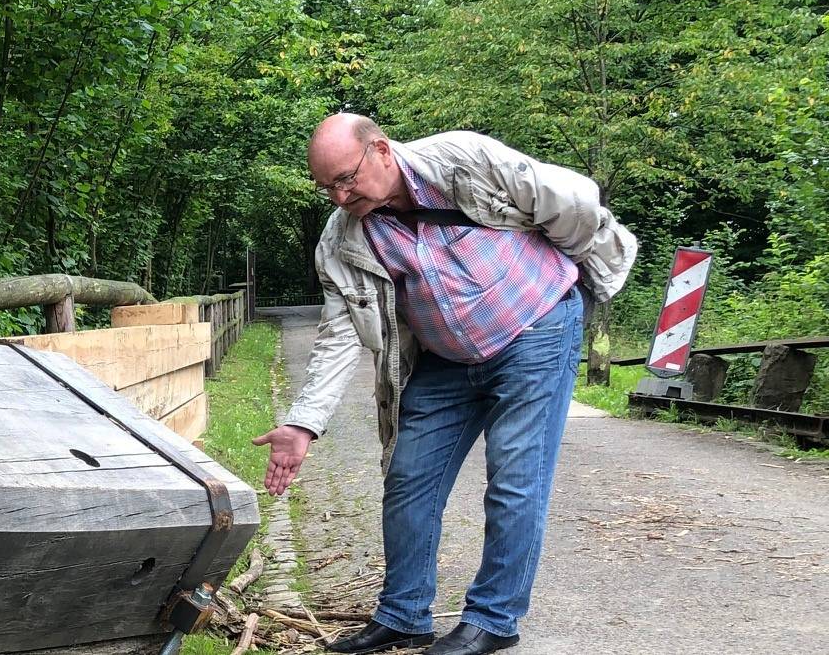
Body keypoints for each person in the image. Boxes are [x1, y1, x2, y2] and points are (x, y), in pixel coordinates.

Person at [251, 114, 636, 655]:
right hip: (446, 361)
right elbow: (339, 333)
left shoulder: (465, 160)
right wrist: (302, 424)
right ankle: (404, 614)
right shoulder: (342, 240)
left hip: (537, 331)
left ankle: (493, 620)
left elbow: (574, 205)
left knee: (514, 479)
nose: (339, 196)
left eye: (346, 179)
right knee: (409, 476)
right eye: (327, 187)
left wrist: (561, 280)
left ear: (381, 150)